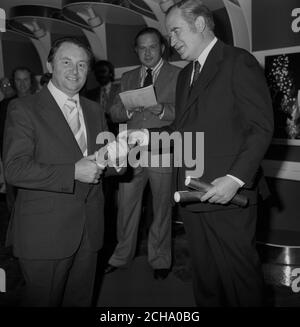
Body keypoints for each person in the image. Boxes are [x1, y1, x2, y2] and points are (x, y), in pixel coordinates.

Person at [130, 0, 274, 306]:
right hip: (191, 193)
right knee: (207, 281)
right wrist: (145, 136)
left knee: (241, 281)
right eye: (169, 35)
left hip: (227, 195)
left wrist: (234, 179)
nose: (172, 41)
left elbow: (260, 128)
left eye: (175, 31)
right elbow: (183, 132)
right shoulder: (186, 76)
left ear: (199, 24)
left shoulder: (238, 61)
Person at [3, 37, 122, 307]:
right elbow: (14, 169)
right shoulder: (23, 108)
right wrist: (72, 172)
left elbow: (99, 162)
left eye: (82, 64)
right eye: (66, 62)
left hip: (89, 230)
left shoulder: (94, 110)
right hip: (46, 233)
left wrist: (118, 159)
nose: (75, 71)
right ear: (49, 65)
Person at [106, 27, 180, 280]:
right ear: (136, 50)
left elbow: (186, 113)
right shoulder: (127, 77)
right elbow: (113, 111)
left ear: (162, 47)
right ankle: (120, 256)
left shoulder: (179, 75)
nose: (147, 52)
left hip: (163, 150)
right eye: (142, 48)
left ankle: (160, 261)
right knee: (125, 208)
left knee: (162, 210)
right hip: (132, 151)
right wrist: (127, 111)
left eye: (152, 47)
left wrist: (161, 109)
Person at [86, 60, 120, 133]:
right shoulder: (90, 94)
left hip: (118, 132)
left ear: (111, 73)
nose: (100, 75)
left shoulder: (120, 90)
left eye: (103, 71)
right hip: (98, 133)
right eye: (97, 72)